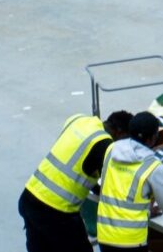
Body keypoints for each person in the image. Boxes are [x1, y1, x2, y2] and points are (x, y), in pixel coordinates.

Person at [19, 108, 133, 252]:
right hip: (57, 212)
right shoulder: (105, 145)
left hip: (29, 198)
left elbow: (77, 163)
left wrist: (96, 189)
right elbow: (113, 190)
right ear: (119, 132)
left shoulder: (79, 121)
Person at [92, 112, 163, 248]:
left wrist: (146, 211)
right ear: (153, 138)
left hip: (105, 235)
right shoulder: (153, 167)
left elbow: (115, 190)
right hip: (131, 241)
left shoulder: (112, 150)